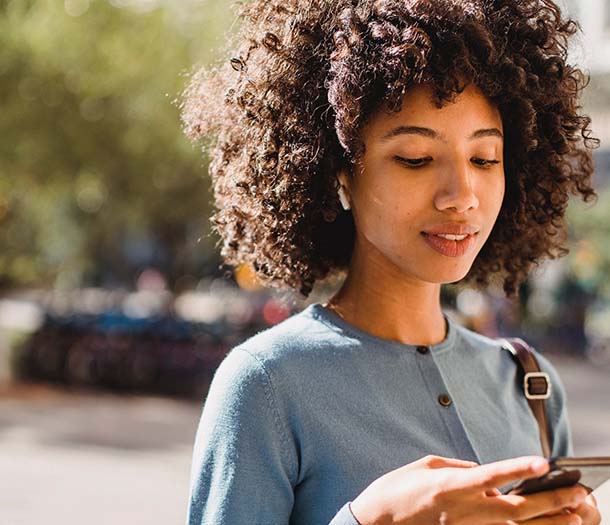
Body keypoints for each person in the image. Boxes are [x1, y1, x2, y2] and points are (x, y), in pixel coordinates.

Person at [180, 0, 601, 523]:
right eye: (415, 159)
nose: (461, 195)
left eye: (484, 159)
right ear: (340, 174)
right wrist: (371, 520)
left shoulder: (531, 384)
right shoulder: (266, 384)